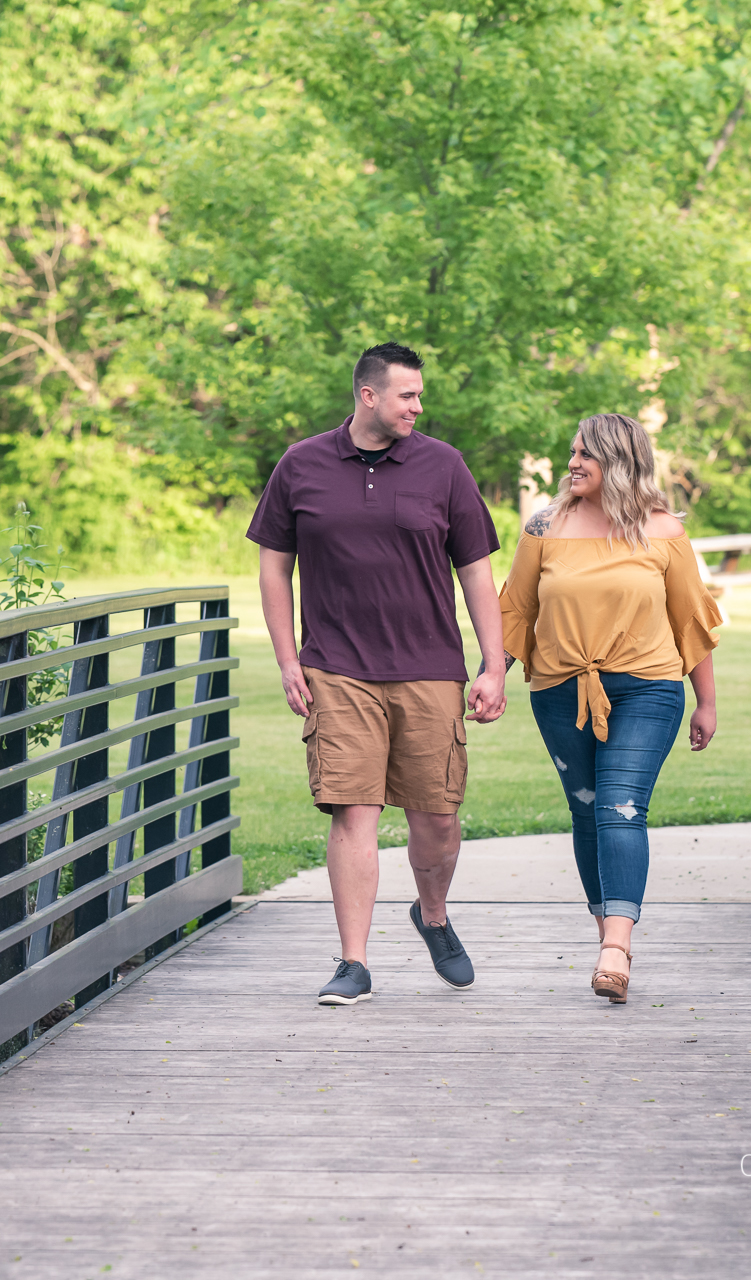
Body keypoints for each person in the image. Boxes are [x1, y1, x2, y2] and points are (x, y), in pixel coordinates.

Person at [247, 341, 510, 1005]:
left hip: (428, 667)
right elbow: (275, 565)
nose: (418, 406)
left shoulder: (443, 466)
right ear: (368, 395)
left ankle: (433, 914)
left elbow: (476, 570)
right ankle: (354, 961)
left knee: (437, 820)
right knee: (352, 812)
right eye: (407, 395)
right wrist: (287, 657)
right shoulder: (301, 464)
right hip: (337, 668)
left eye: (419, 395)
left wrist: (494, 663)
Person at [498, 413, 720, 1004]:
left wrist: (707, 702)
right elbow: (515, 611)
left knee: (621, 806)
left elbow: (690, 619)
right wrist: (492, 676)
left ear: (619, 462)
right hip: (558, 689)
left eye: (585, 456)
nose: (572, 463)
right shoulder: (544, 527)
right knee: (588, 810)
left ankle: (615, 948)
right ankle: (610, 940)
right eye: (571, 453)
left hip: (647, 688)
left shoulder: (663, 531)